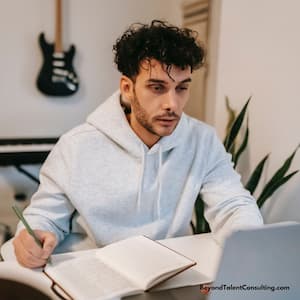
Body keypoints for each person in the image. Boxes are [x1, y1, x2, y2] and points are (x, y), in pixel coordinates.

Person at [13, 20, 263, 268]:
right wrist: (33, 235)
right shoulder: (76, 146)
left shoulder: (203, 141)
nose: (173, 104)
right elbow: (44, 217)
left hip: (167, 269)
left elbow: (232, 205)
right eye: (157, 87)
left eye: (181, 88)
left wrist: (251, 242)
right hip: (93, 269)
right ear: (127, 88)